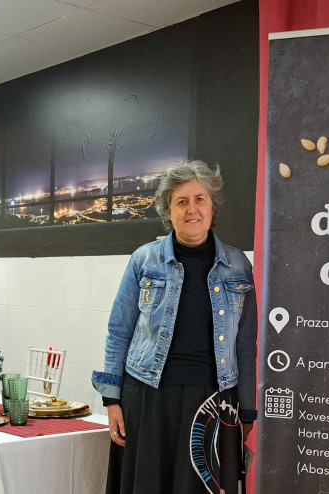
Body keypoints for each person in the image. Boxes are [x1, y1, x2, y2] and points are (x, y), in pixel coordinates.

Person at [92, 160, 258, 494]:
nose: (191, 209)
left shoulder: (238, 265)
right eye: (181, 201)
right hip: (148, 398)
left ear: (213, 207)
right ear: (168, 210)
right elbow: (119, 330)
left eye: (200, 200)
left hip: (213, 399)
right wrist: (112, 399)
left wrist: (248, 408)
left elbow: (245, 342)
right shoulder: (144, 259)